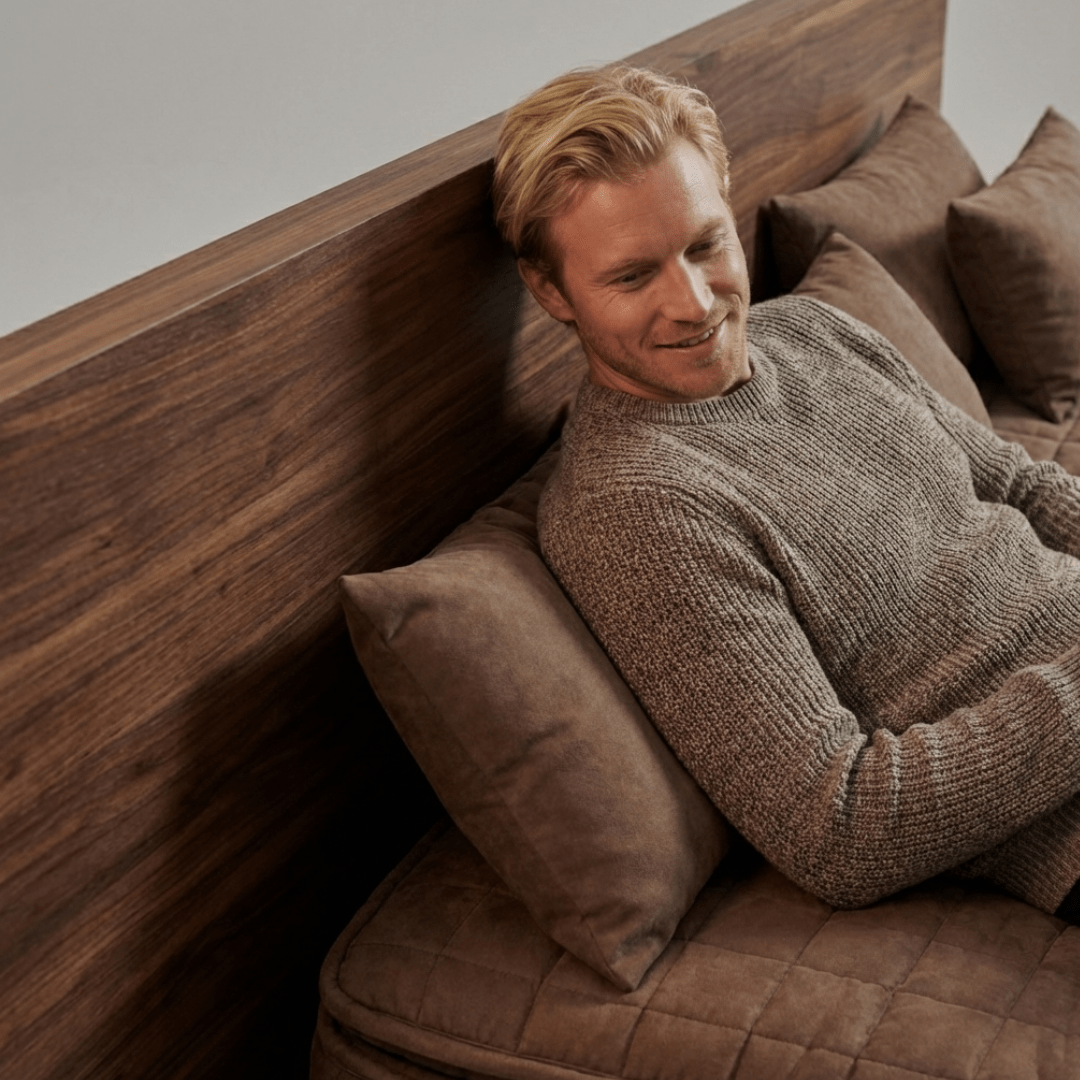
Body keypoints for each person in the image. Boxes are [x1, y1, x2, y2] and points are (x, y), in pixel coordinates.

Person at [491, 63, 1080, 918]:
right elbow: (837, 830)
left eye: (706, 245)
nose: (695, 303)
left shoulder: (808, 328)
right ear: (551, 290)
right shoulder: (632, 508)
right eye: (633, 277)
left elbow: (1018, 484)